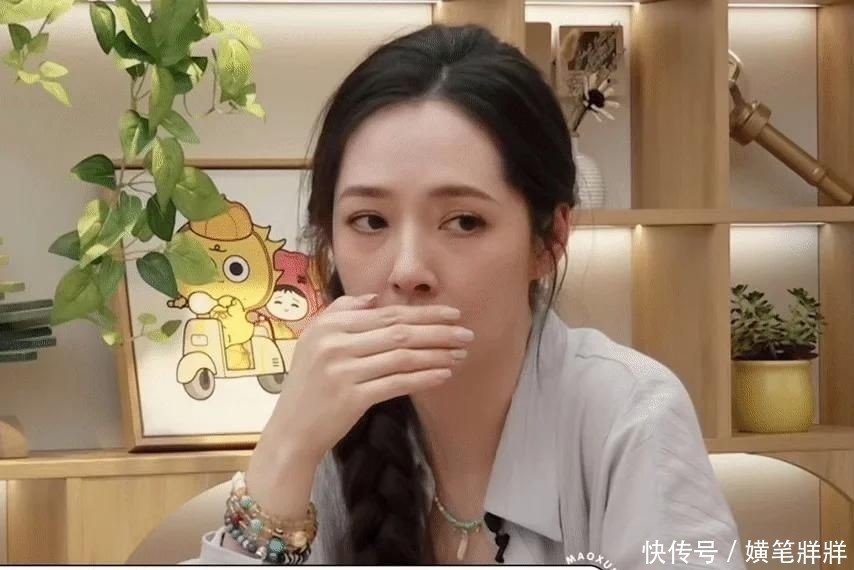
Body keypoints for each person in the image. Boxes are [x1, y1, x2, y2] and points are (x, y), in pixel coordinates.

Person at [186, 23, 745, 567]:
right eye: (370, 220)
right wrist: (286, 449)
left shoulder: (631, 413)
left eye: (464, 221)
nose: (408, 270)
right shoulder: (329, 419)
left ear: (549, 241)